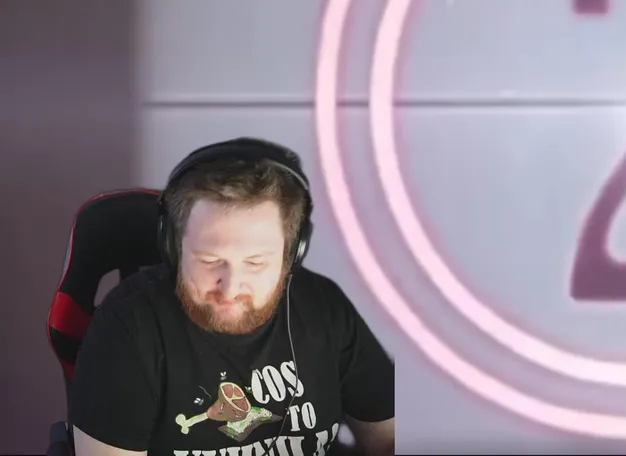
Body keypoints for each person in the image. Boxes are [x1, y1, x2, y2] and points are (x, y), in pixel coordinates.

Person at [69, 138, 395, 456]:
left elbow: (389, 439)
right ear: (172, 247)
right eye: (210, 260)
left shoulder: (325, 308)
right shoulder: (127, 329)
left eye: (255, 263)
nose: (230, 288)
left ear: (293, 254)